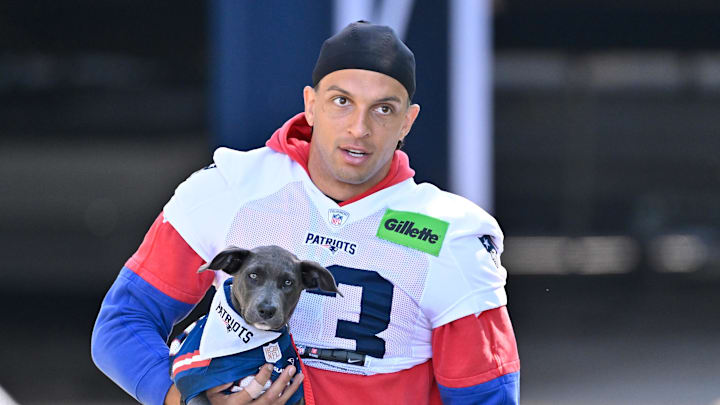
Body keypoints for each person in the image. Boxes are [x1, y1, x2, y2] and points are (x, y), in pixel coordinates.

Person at [91, 21, 520, 405]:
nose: (359, 127)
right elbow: (123, 322)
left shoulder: (449, 233)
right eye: (341, 101)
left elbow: (486, 396)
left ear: (408, 122)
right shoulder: (231, 186)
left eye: (383, 109)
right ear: (311, 104)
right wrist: (178, 399)